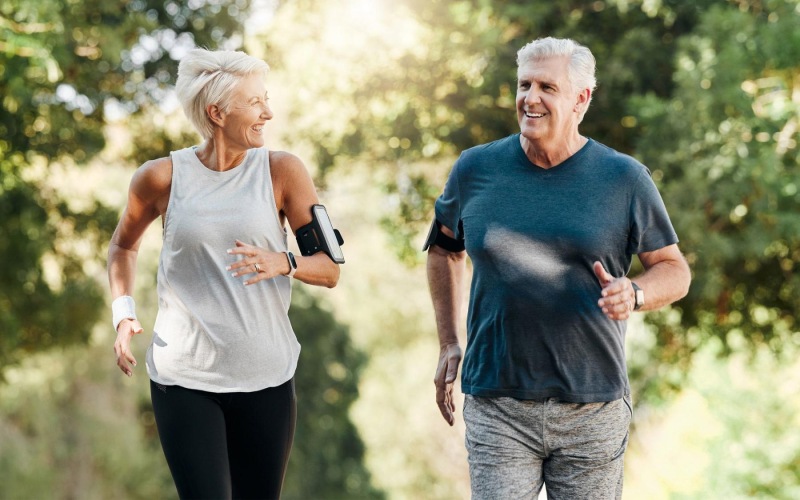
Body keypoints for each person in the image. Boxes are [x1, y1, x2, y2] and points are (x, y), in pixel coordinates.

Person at [425, 37, 691, 499]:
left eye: (547, 87)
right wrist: (449, 340)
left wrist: (635, 293)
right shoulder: (475, 169)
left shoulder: (624, 178)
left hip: (592, 407)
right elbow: (444, 250)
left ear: (581, 99)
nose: (530, 98)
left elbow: (674, 269)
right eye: (524, 84)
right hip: (498, 401)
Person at [107, 48, 341, 499]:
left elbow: (329, 270)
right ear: (217, 112)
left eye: (266, 99)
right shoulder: (160, 178)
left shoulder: (282, 171)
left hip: (266, 378)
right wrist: (123, 312)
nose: (268, 112)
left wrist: (284, 261)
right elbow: (123, 245)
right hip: (184, 379)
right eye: (255, 103)